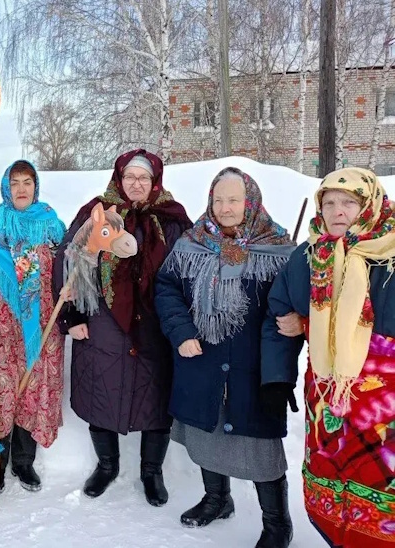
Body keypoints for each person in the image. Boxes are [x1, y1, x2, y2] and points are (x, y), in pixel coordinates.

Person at [155, 168, 297, 548]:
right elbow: (166, 288)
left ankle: (277, 524)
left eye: (233, 199)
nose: (225, 207)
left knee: (262, 449)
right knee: (206, 435)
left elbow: (296, 304)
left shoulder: (279, 248)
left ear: (250, 201)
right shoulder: (192, 243)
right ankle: (218, 500)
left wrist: (299, 322)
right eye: (218, 200)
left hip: (253, 368)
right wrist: (181, 332)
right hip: (201, 361)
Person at [263, 168, 395, 548]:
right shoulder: (307, 258)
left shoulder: (389, 254)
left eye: (349, 203)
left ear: (369, 205)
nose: (338, 211)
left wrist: (309, 322)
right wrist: (277, 377)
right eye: (330, 203)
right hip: (327, 398)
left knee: (381, 483)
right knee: (331, 476)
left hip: (383, 403)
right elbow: (278, 318)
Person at [54, 149, 191, 503]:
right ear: (118, 178)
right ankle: (107, 466)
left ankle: (151, 472)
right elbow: (69, 261)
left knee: (157, 401)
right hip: (102, 324)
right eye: (130, 176)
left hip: (156, 325)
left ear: (155, 181)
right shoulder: (98, 212)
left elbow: (191, 269)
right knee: (102, 391)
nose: (136, 183)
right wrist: (73, 317)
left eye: (143, 178)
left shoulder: (172, 220)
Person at [0, 160, 66, 493]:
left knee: (32, 392)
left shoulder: (50, 224)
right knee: (3, 393)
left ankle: (24, 463)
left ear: (36, 187)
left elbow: (66, 267)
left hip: (41, 325)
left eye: (28, 182)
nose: (22, 189)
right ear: (6, 186)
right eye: (16, 182)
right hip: (1, 326)